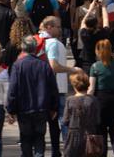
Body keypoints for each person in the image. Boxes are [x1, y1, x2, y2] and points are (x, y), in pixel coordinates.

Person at [7, 34, 59, 157]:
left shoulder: (18, 66)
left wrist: (11, 109)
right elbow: (53, 89)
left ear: (23, 48)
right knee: (39, 139)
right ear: (35, 49)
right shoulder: (44, 65)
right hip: (41, 108)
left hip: (24, 109)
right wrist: (54, 107)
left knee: (26, 139)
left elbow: (13, 89)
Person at [38, 16, 76, 157]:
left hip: (42, 88)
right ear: (49, 27)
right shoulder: (53, 43)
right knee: (62, 119)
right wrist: (71, 70)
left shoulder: (37, 41)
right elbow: (54, 66)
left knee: (47, 123)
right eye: (58, 27)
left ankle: (47, 151)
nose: (60, 29)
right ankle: (67, 149)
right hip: (57, 88)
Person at [89, 38, 114, 157]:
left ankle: (104, 153)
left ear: (98, 51)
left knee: (102, 131)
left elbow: (91, 88)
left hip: (100, 100)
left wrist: (86, 101)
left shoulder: (95, 67)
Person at [63, 70, 102, 157]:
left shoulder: (69, 100)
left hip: (73, 134)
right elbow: (97, 120)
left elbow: (65, 120)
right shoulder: (94, 100)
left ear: (74, 86)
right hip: (90, 134)